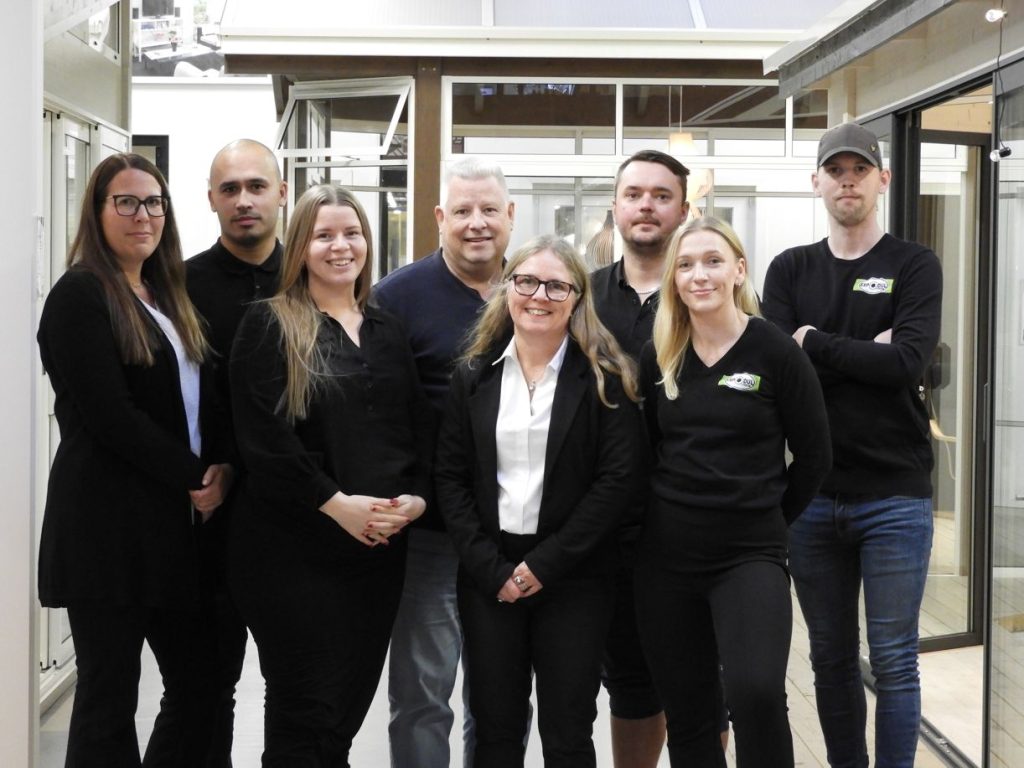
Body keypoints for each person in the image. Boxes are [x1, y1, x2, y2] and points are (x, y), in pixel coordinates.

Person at [37, 152, 234, 766]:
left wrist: (221, 468)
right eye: (125, 201)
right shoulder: (79, 294)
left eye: (153, 202)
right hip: (105, 528)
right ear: (97, 212)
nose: (142, 215)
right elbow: (112, 417)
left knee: (201, 682)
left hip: (170, 524)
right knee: (109, 697)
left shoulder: (166, 293)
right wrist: (196, 476)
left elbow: (195, 403)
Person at [227, 184, 430, 766]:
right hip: (291, 556)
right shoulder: (270, 324)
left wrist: (416, 500)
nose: (341, 246)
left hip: (375, 556)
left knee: (341, 717)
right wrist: (337, 504)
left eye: (352, 233)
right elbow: (264, 442)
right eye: (324, 235)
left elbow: (417, 428)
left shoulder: (387, 329)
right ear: (300, 247)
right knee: (304, 715)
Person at [761, 122, 943, 768]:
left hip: (894, 497)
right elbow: (781, 375)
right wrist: (870, 352)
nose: (848, 181)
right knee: (830, 659)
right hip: (811, 498)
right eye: (835, 171)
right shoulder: (789, 269)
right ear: (816, 182)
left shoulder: (914, 265)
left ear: (882, 180)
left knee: (894, 660)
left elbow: (908, 363)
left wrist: (814, 342)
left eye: (859, 170)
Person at [435, 235, 642, 767]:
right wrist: (492, 569)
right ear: (508, 289)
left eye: (556, 286)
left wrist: (543, 566)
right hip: (491, 576)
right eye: (526, 281)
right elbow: (451, 479)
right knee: (495, 728)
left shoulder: (605, 378)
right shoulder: (473, 375)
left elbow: (616, 484)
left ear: (577, 298)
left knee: (568, 730)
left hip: (575, 576)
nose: (539, 296)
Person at [635, 217, 832, 766]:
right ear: (674, 279)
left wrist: (766, 516)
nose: (699, 275)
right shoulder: (660, 354)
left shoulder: (776, 351)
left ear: (739, 270)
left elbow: (815, 457)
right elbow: (647, 452)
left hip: (749, 557)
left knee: (757, 694)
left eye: (713, 261)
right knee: (689, 714)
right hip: (666, 563)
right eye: (686, 264)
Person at [373, 156, 515, 768]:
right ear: (439, 218)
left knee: (501, 697)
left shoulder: (537, 291)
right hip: (430, 533)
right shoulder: (396, 298)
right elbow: (380, 415)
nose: (476, 223)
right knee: (422, 694)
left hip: (512, 532)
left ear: (511, 215)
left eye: (489, 210)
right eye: (462, 211)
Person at [185, 137, 287, 766]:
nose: (244, 200)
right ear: (211, 200)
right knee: (204, 687)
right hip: (207, 517)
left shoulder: (310, 277)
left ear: (282, 193)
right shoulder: (179, 284)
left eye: (256, 186)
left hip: (293, 517)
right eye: (230, 189)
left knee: (295, 687)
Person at [590, 148, 692, 766]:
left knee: (702, 683)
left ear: (684, 209)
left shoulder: (708, 290)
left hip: (693, 522)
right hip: (609, 526)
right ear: (616, 206)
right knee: (629, 680)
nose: (646, 206)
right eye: (634, 194)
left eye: (660, 195)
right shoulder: (584, 297)